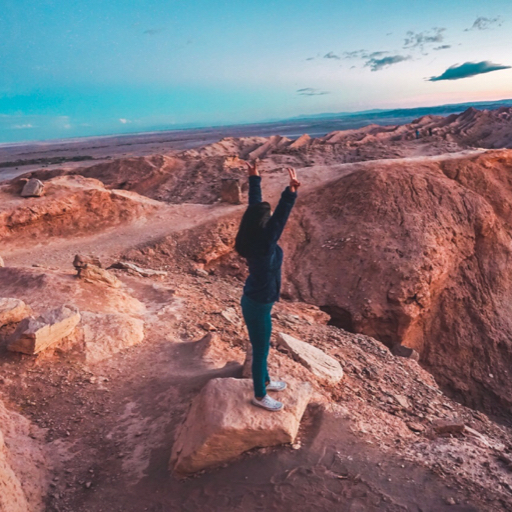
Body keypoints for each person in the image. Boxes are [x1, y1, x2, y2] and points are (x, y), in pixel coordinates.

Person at [235, 162, 301, 411]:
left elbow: (255, 208)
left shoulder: (252, 236)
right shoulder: (265, 244)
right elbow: (279, 219)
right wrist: (290, 193)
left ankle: (266, 381)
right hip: (258, 304)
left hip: (256, 299)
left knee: (262, 345)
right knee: (261, 350)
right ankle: (260, 395)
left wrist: (254, 178)